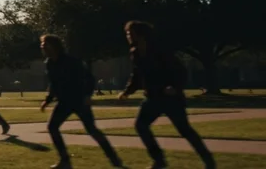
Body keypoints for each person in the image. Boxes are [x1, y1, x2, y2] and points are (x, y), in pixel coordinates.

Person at [118, 21, 215, 169]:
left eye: (130, 33)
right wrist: (127, 92)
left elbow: (181, 71)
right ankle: (159, 160)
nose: (128, 36)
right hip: (152, 97)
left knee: (184, 130)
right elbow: (137, 75)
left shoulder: (159, 50)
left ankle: (209, 161)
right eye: (127, 33)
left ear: (141, 34)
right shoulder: (135, 53)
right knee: (141, 126)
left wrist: (174, 87)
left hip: (170, 98)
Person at [40, 34, 122, 169]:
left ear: (53, 46)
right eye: (42, 45)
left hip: (79, 101)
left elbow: (89, 78)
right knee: (52, 127)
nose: (42, 47)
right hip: (64, 102)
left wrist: (87, 95)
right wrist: (47, 100)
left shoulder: (71, 61)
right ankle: (65, 161)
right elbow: (54, 84)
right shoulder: (49, 63)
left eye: (45, 45)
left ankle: (114, 159)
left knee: (92, 130)